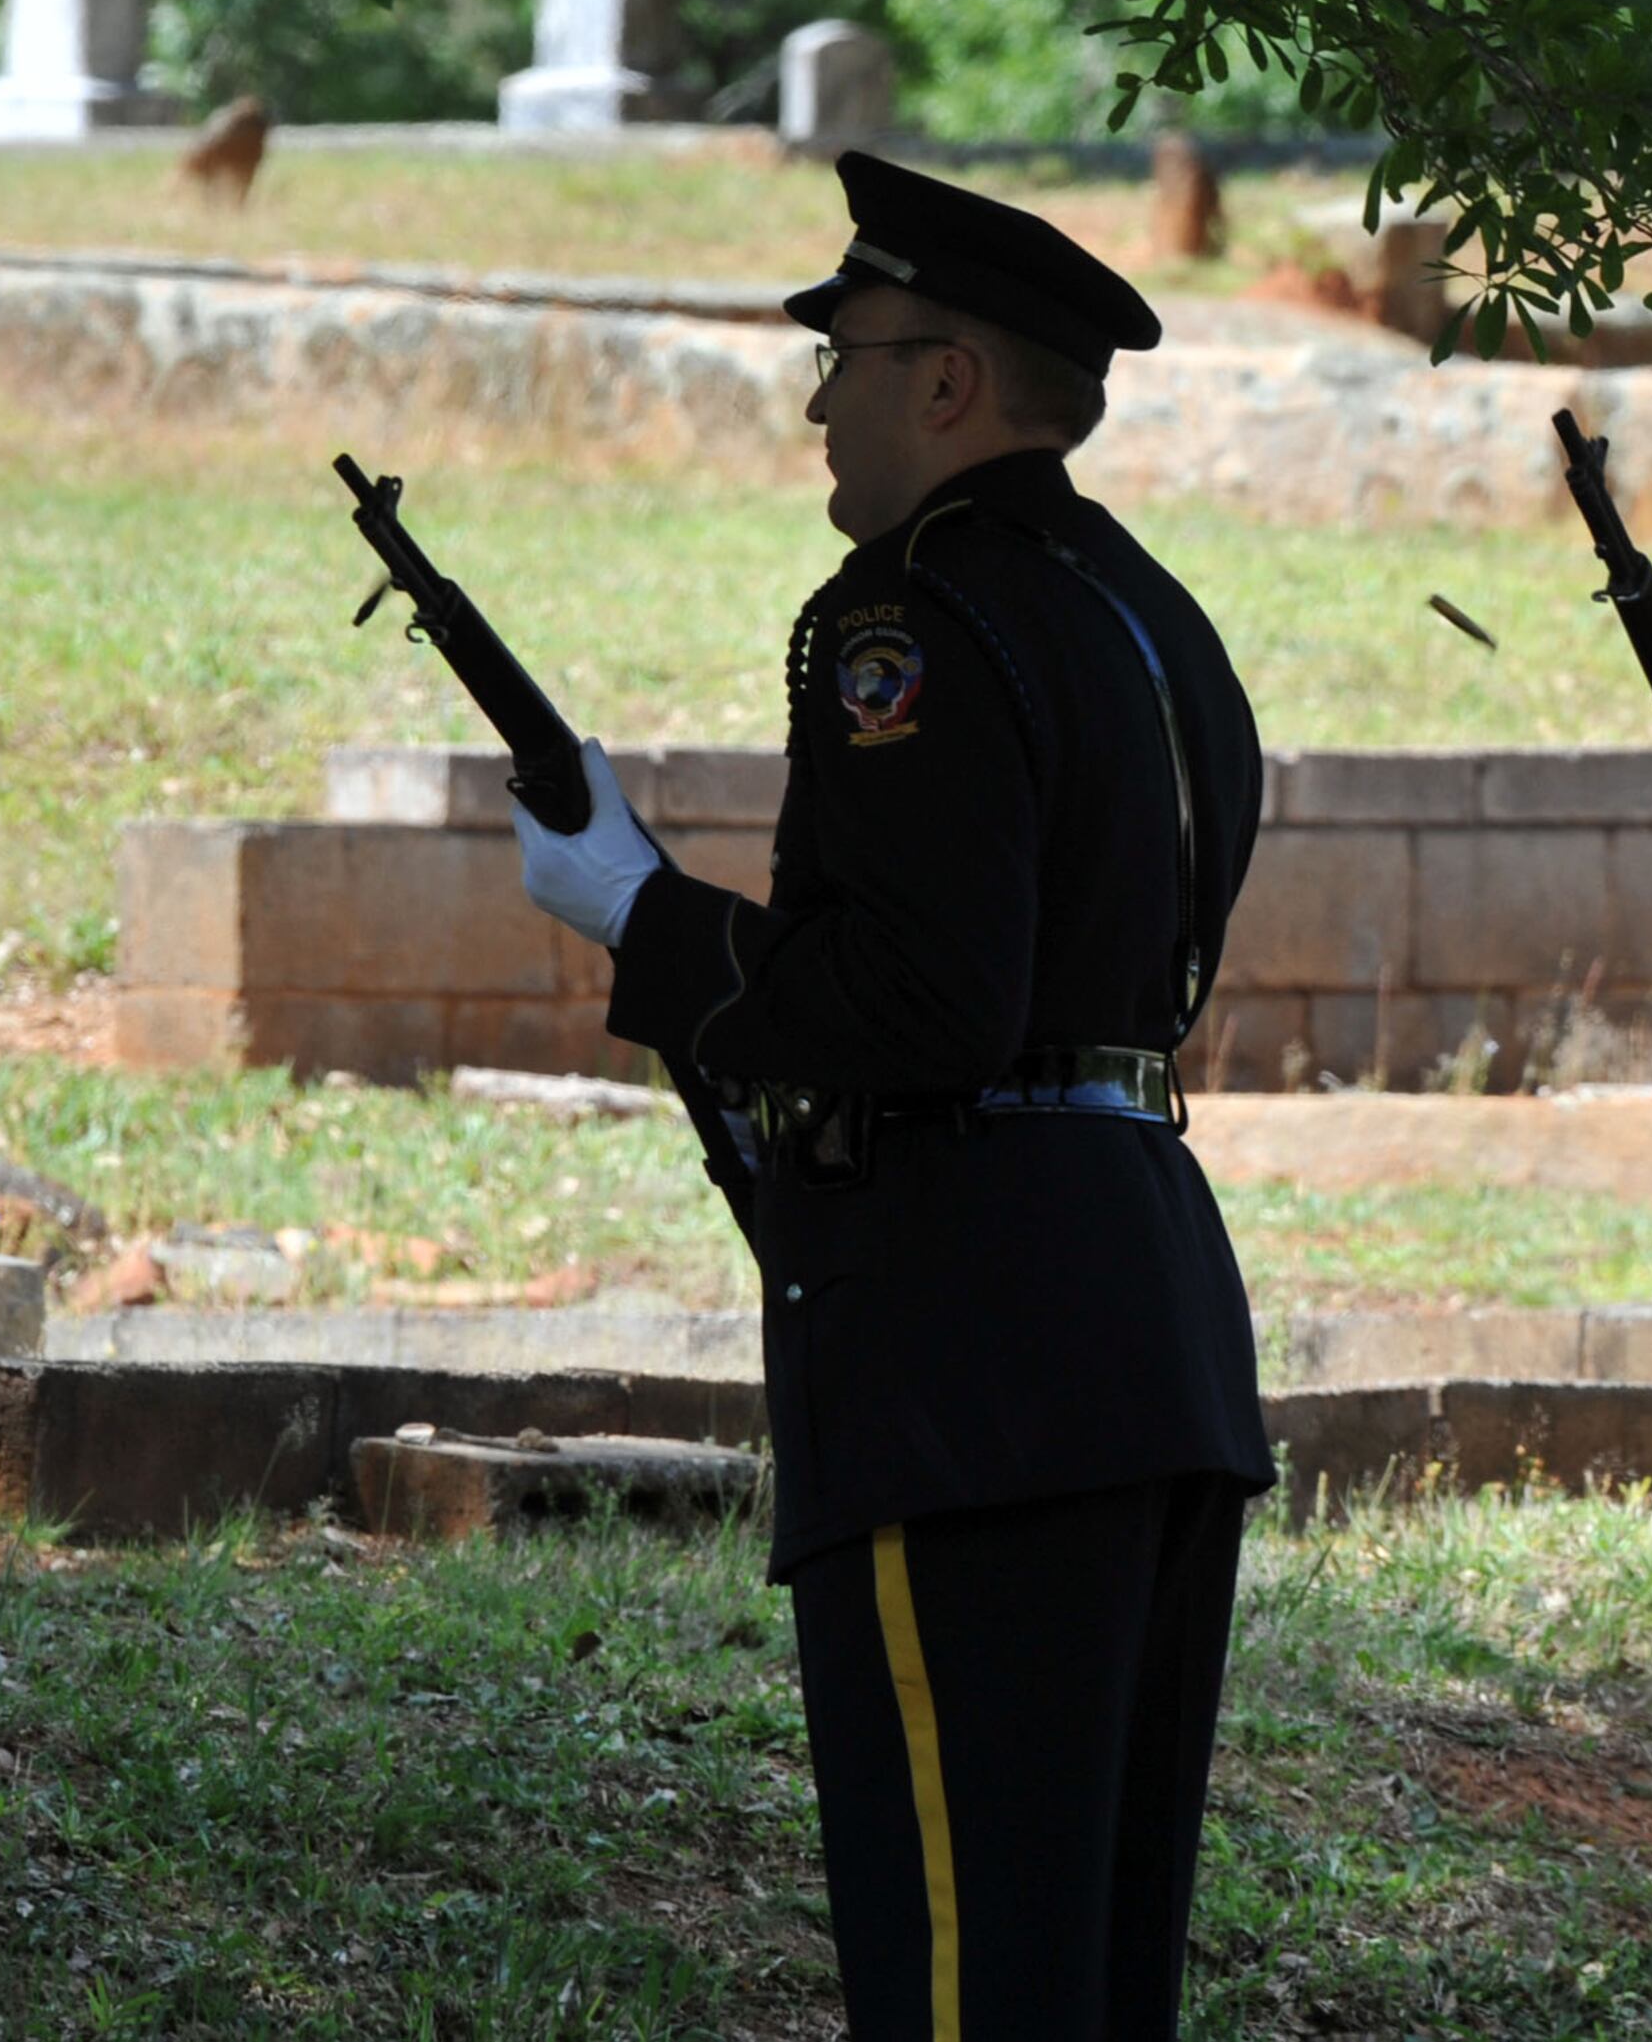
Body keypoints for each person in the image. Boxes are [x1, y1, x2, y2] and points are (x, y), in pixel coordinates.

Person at [505, 152, 1272, 2040]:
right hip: (1146, 1310)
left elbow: (928, 1002)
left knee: (959, 1970)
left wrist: (644, 914)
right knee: (1085, 1970)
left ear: (950, 383)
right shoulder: (1151, 612)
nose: (818, 402)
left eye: (844, 357)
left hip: (974, 1345)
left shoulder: (910, 618)